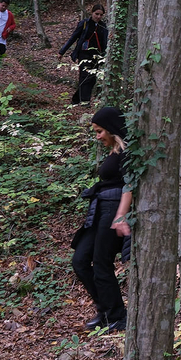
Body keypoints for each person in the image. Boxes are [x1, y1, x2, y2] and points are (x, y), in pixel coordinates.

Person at [70, 107, 131, 332]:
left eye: (100, 131)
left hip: (113, 208)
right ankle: (106, 310)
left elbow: (130, 184)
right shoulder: (115, 151)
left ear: (113, 129)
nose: (98, 137)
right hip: (100, 208)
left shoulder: (128, 152)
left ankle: (116, 316)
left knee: (102, 263)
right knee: (80, 260)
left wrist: (121, 215)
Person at [60, 4, 109, 104]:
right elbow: (73, 38)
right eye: (97, 14)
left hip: (97, 55)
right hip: (84, 54)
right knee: (85, 76)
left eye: (101, 15)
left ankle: (76, 99)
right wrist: (62, 51)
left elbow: (105, 40)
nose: (98, 17)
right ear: (92, 13)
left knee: (92, 79)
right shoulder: (84, 23)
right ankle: (85, 101)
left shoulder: (103, 26)